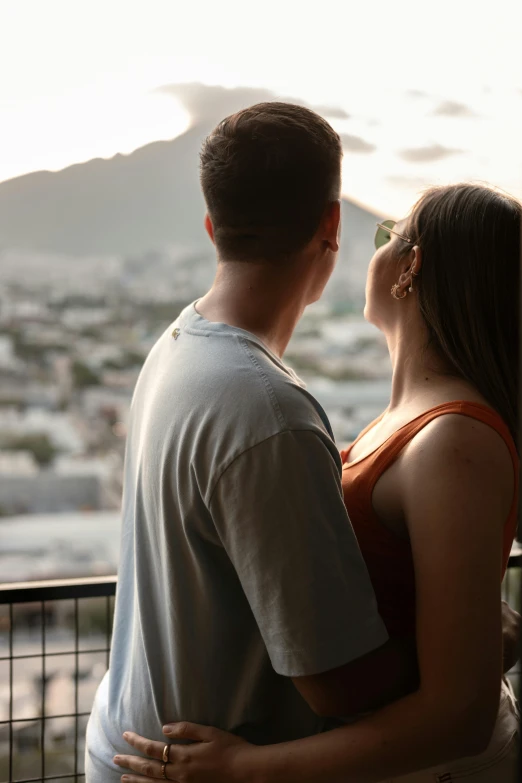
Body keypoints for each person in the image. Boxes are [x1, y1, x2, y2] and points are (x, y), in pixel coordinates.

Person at [114, 182, 521, 782]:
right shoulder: (417, 422)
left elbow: (458, 713)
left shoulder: (453, 443)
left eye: (390, 234)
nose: (371, 251)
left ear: (410, 268)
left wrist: (245, 770)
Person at [85, 102, 436, 782]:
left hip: (127, 737)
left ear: (213, 227)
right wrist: (473, 639)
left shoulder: (177, 347)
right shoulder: (266, 408)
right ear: (332, 226)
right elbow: (337, 683)